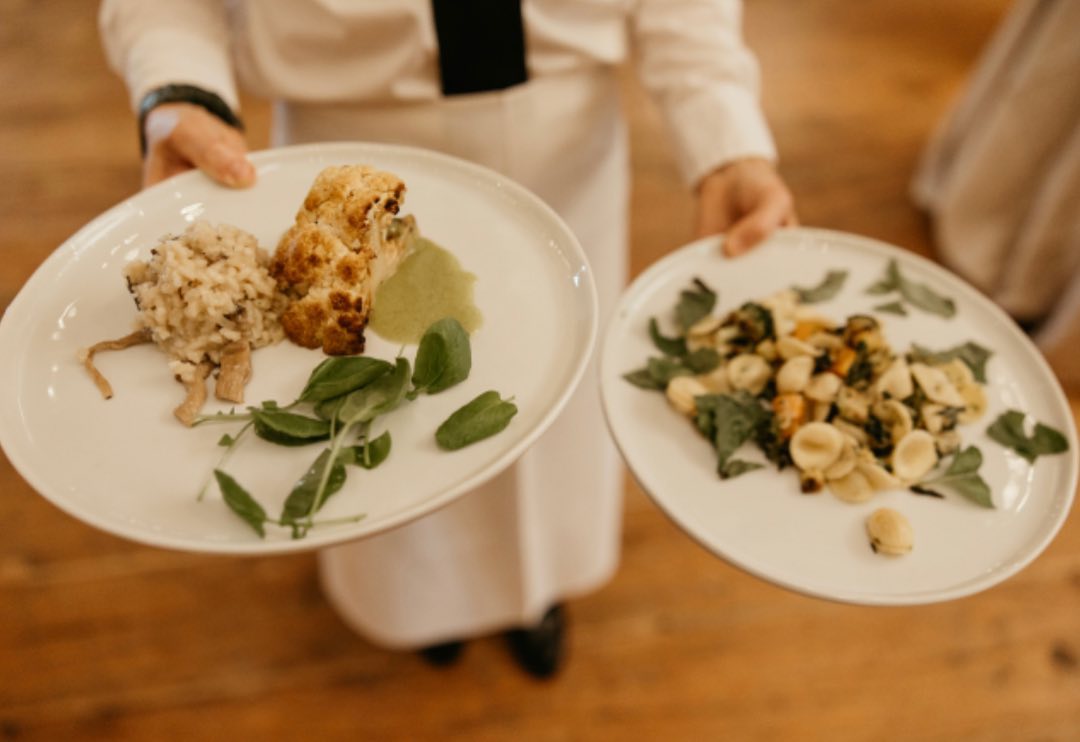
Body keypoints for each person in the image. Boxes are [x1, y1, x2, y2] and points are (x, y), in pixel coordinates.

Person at [99, 0, 797, 679]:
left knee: (557, 413)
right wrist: (179, 86)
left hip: (563, 138)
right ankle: (418, 605)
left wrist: (723, 134)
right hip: (350, 135)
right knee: (376, 419)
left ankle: (539, 590)